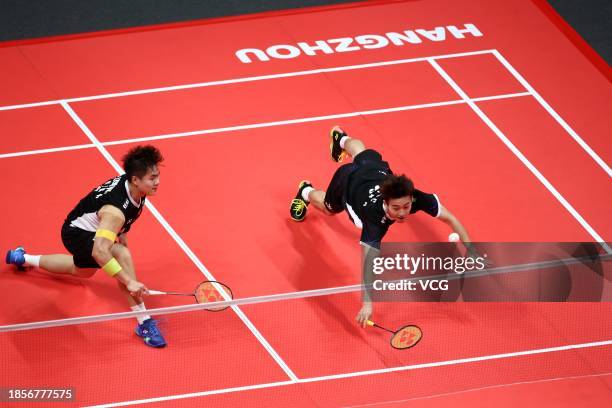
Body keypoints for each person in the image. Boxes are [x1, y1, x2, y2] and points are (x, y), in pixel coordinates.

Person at [289, 126, 473, 326]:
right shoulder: (374, 221)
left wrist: (472, 249)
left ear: (411, 198)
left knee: (361, 153)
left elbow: (451, 219)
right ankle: (306, 191)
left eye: (406, 206)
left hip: (374, 171)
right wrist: (368, 304)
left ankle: (341, 139)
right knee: (328, 208)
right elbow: (369, 264)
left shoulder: (415, 197)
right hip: (349, 181)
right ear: (385, 203)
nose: (402, 213)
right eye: (396, 208)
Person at [6, 145, 166, 348]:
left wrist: (122, 234)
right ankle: (144, 322)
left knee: (81, 272)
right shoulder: (115, 211)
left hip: (83, 227)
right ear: (135, 179)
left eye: (158, 176)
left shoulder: (134, 189)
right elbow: (100, 252)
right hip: (76, 233)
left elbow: (125, 217)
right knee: (121, 255)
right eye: (152, 178)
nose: (158, 182)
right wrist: (129, 281)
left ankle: (23, 258)